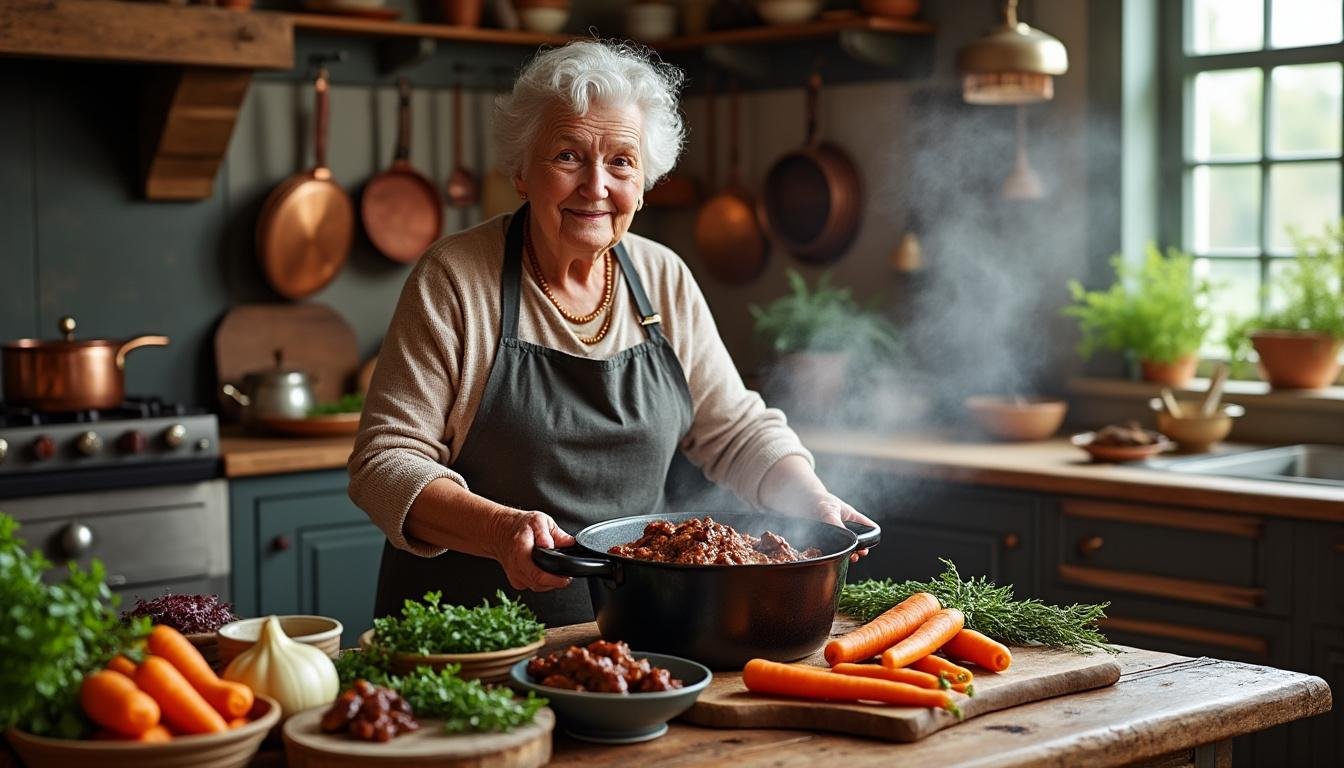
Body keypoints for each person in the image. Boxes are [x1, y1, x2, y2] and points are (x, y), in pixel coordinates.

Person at [349, 40, 873, 626]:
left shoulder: (662, 276)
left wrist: (811, 500)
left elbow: (736, 430)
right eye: (568, 156)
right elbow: (384, 463)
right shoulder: (455, 279)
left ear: (644, 182)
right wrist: (500, 531)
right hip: (471, 638)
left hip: (636, 630)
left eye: (621, 161)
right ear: (522, 172)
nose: (596, 185)